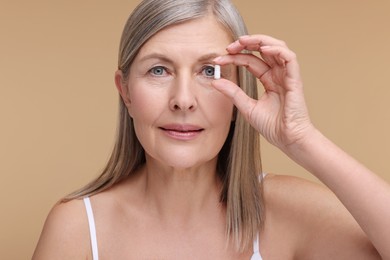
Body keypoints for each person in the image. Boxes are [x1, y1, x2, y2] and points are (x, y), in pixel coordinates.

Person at [32, 0, 390, 259]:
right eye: (159, 70)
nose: (183, 100)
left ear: (241, 91)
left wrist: (301, 137)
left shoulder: (290, 212)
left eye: (210, 72)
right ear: (125, 90)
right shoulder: (77, 228)